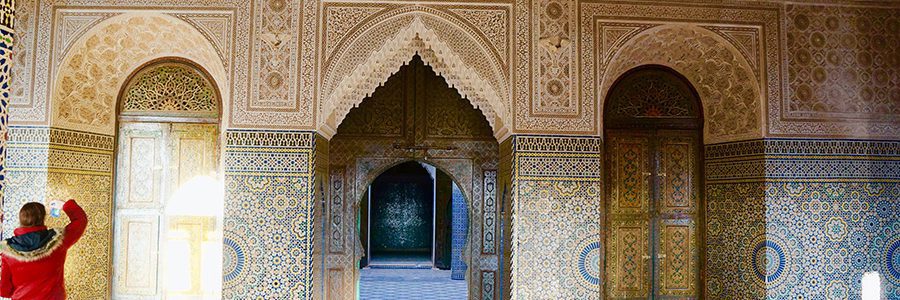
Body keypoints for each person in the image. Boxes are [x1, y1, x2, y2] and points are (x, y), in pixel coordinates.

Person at [0, 199, 87, 300]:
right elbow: (81, 220)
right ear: (43, 218)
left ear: (21, 220)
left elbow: (5, 291)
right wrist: (64, 205)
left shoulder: (8, 251)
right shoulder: (58, 241)